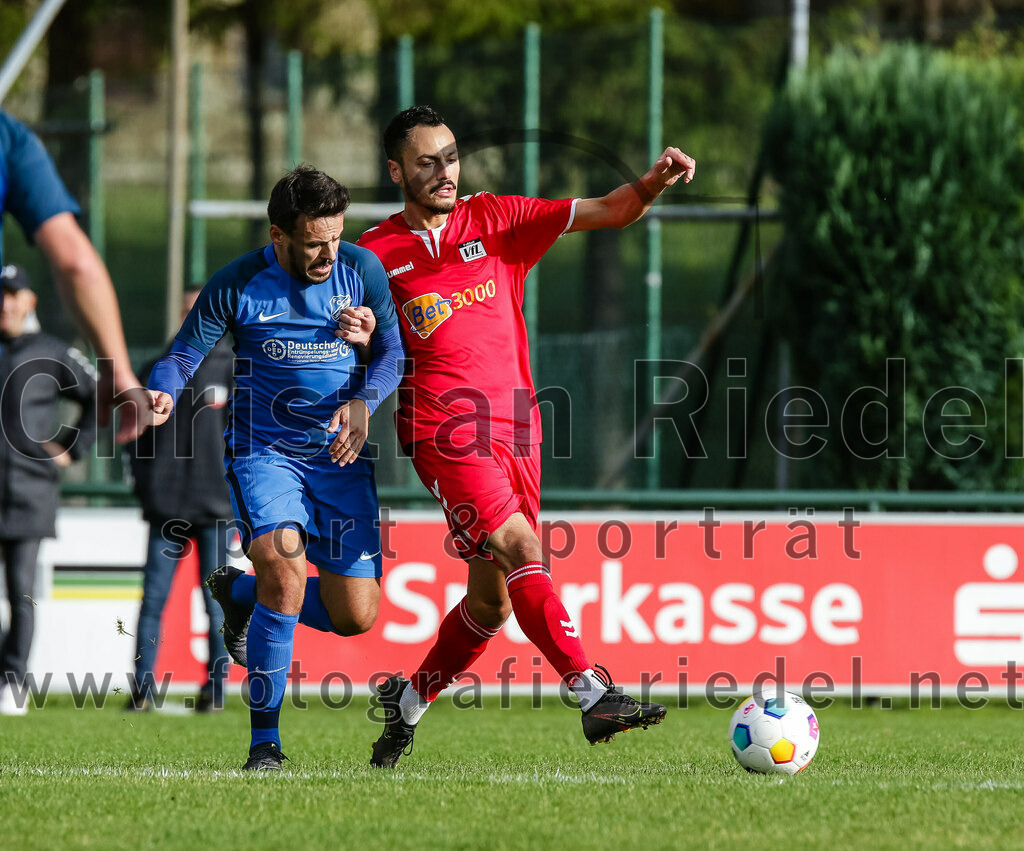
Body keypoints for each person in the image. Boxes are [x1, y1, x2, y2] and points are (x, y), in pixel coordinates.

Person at [356, 105, 696, 768]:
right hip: (441, 428)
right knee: (523, 547)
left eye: (451, 157)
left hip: (517, 428)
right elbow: (356, 337)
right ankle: (592, 692)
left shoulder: (498, 219)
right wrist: (358, 343)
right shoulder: (373, 253)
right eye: (426, 162)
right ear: (396, 171)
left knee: (491, 603)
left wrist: (652, 182)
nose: (445, 172)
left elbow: (610, 210)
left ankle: (406, 704)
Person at [146, 165, 404, 770]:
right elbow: (182, 355)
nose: (328, 253)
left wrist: (365, 400)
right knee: (285, 579)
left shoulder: (362, 270)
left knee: (356, 616)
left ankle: (238, 591)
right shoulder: (238, 282)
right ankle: (265, 745)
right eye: (314, 242)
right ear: (279, 234)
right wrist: (162, 390)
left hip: (339, 457)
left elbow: (394, 352)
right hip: (264, 454)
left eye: (336, 237)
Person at [0, 109, 147, 442]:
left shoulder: (46, 352)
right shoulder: (8, 136)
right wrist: (117, 369)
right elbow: (76, 264)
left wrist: (69, 452)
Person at [124, 286, 234, 714]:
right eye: (189, 309)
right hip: (165, 506)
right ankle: (142, 689)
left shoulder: (236, 370)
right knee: (153, 600)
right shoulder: (156, 368)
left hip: (216, 509)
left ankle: (216, 690)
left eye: (201, 309)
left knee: (217, 603)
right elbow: (134, 439)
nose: (195, 316)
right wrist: (146, 486)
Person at [0, 264, 97, 715]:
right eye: (1, 294)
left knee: (20, 592)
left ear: (29, 301)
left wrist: (72, 450)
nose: (5, 303)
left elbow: (98, 396)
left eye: (12, 294)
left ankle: (13, 682)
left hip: (30, 493)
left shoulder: (51, 351)